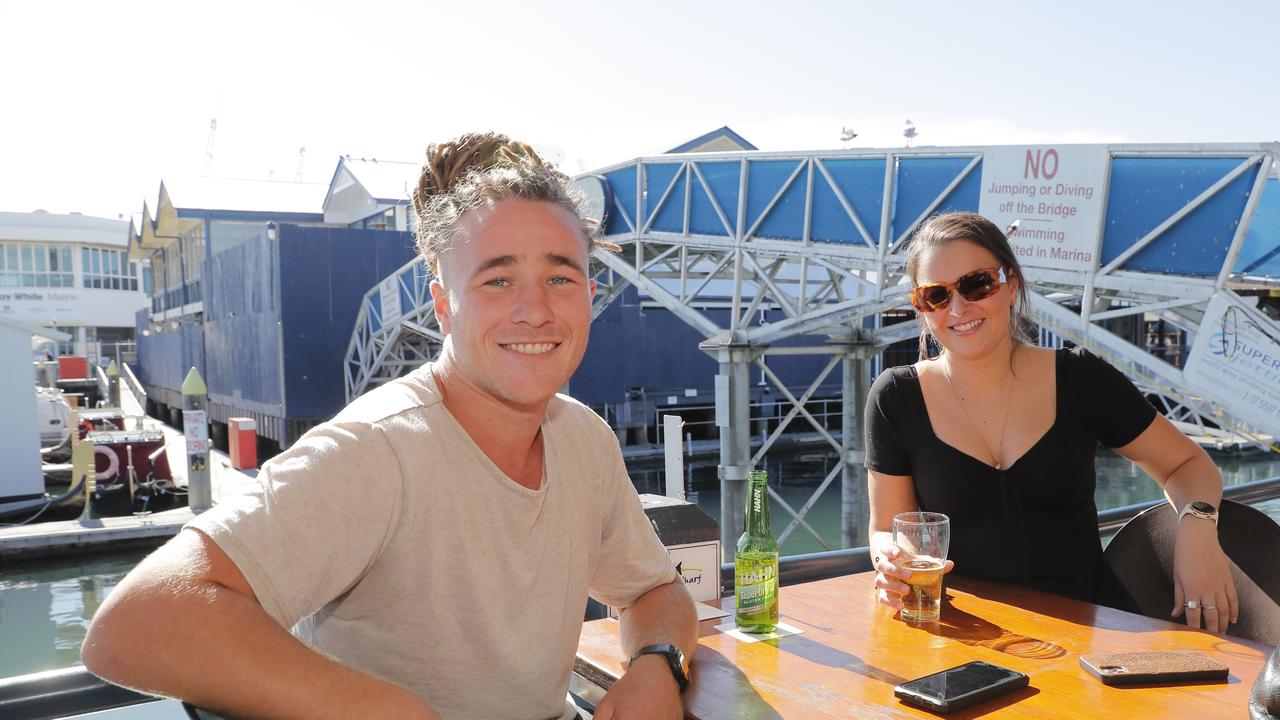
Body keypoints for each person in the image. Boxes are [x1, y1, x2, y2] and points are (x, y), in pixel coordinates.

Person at [82, 132, 697, 719]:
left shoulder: (584, 440)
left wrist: (658, 662)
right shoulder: (378, 449)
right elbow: (137, 622)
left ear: (590, 294)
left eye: (560, 278)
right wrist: (387, 710)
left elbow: (656, 593)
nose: (535, 310)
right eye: (497, 279)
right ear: (443, 304)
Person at [865, 211, 1237, 633]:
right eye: (936, 295)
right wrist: (889, 561)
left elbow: (1187, 465)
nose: (958, 307)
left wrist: (1198, 527)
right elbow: (885, 526)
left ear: (1011, 285)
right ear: (922, 307)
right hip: (965, 640)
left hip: (1089, 637)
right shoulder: (895, 398)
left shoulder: (1080, 379)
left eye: (977, 284)